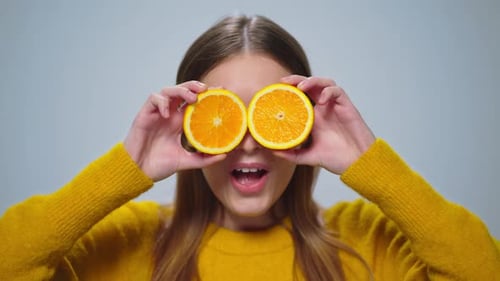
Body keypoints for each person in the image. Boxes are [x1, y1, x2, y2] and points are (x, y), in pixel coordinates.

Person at [0, 14, 499, 281]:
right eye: (225, 114)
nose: (247, 143)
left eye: (269, 113)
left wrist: (370, 163)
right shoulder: (128, 244)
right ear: (190, 124)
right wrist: (125, 168)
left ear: (300, 121)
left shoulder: (366, 240)